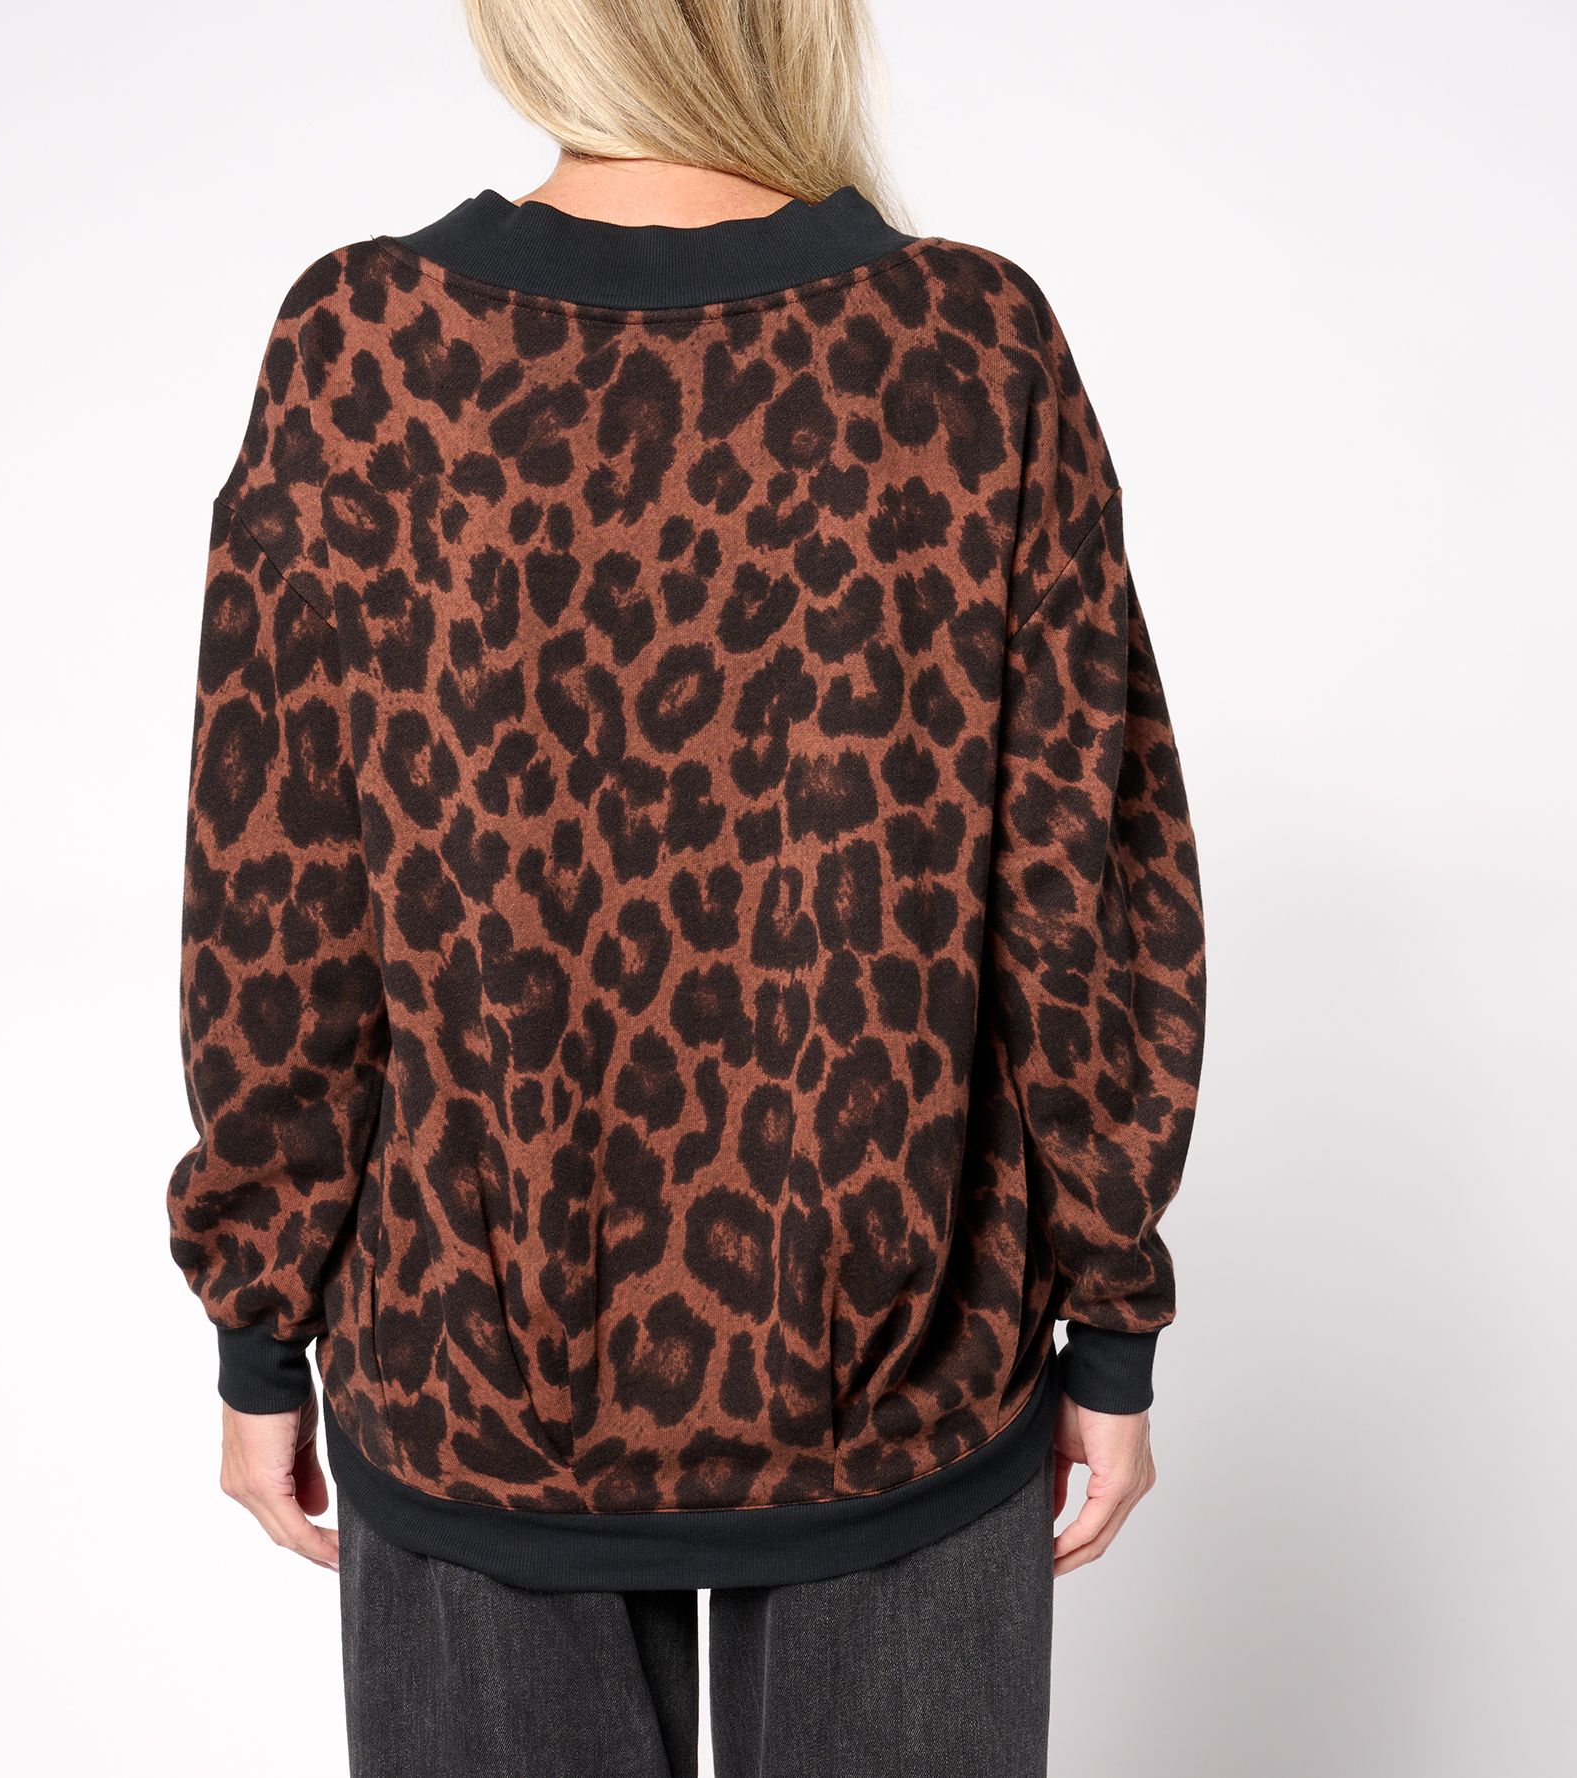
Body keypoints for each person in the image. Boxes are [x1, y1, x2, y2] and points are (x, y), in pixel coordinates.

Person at [166, 2, 1206, 1772]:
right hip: (905, 1365)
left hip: (472, 1376)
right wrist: (1109, 1313)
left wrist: (261, 1319)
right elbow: (1083, 888)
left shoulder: (365, 348)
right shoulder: (969, 348)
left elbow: (279, 896)